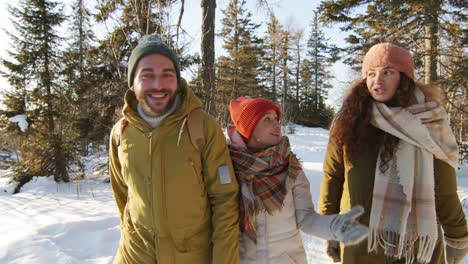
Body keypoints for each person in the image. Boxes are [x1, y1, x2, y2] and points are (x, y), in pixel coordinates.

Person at [318, 43, 468, 264]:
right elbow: (332, 178)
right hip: (361, 242)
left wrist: (457, 235)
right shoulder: (349, 122)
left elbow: (444, 189)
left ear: (404, 78)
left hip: (415, 247)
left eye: (387, 72)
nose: (377, 80)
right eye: (371, 73)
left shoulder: (429, 122)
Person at [108, 34, 240, 264]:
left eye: (167, 75)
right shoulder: (121, 132)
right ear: (132, 83)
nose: (158, 85)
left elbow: (225, 200)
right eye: (147, 76)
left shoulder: (202, 126)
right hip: (136, 256)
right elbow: (123, 197)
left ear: (177, 80)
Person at [227, 97, 369, 264]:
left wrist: (335, 226)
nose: (277, 124)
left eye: (276, 119)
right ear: (248, 129)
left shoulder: (291, 168)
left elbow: (306, 219)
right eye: (267, 119)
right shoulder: (227, 168)